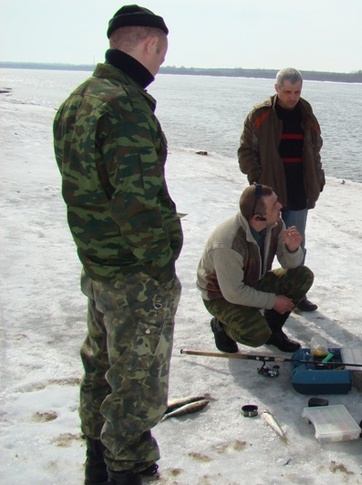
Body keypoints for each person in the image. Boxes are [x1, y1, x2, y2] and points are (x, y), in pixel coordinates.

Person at [53, 5, 180, 484]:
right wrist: (161, 264)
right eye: (162, 54)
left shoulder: (77, 101)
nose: (161, 63)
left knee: (101, 366)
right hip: (132, 273)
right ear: (151, 44)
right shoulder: (124, 107)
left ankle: (97, 462)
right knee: (136, 381)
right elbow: (137, 204)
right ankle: (126, 467)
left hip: (98, 264)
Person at [238, 67, 324, 313]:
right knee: (261, 244)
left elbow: (316, 149)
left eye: (297, 92)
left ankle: (296, 292)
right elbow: (246, 151)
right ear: (276, 89)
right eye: (287, 92)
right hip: (269, 193)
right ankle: (256, 292)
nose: (292, 97)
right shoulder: (260, 115)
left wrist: (318, 178)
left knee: (295, 242)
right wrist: (257, 180)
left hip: (299, 190)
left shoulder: (306, 114)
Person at [197, 183, 314, 354]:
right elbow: (233, 293)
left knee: (302, 276)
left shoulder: (275, 224)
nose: (280, 206)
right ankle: (221, 326)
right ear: (258, 217)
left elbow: (290, 265)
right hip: (220, 295)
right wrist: (273, 301)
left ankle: (273, 332)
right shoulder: (227, 243)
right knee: (257, 335)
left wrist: (292, 249)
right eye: (274, 205)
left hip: (252, 280)